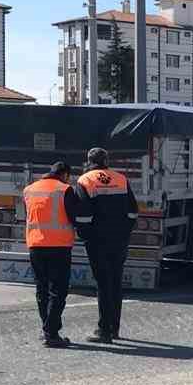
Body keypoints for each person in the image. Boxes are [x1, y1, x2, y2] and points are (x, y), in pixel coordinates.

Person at [72, 146, 139, 345]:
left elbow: (83, 216)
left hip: (98, 241)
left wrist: (86, 237)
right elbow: (133, 212)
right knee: (116, 282)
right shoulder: (121, 179)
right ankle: (114, 327)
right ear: (106, 161)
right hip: (119, 239)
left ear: (89, 161)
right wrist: (124, 232)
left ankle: (104, 330)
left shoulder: (85, 180)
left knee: (103, 283)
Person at [22, 161, 80, 349]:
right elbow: (74, 216)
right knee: (58, 290)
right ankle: (51, 333)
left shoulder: (29, 189)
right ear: (65, 175)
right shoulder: (65, 190)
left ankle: (47, 328)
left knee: (42, 288)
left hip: (35, 245)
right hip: (59, 246)